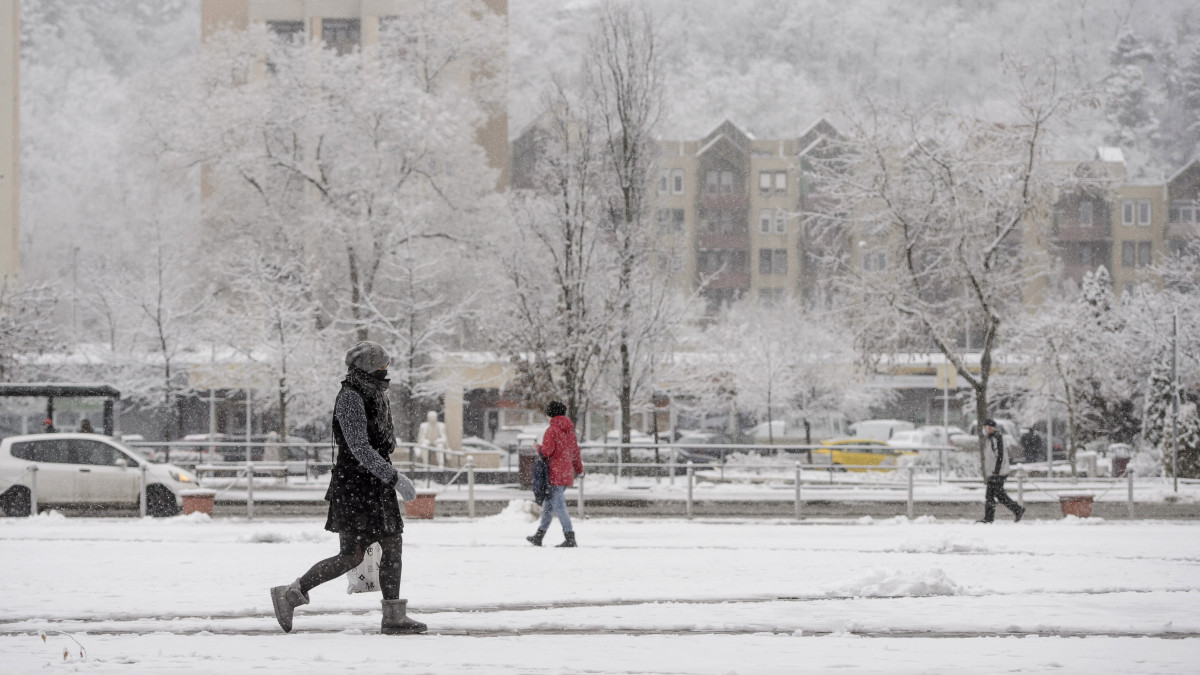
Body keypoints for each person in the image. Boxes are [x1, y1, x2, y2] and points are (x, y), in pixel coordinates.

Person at [270, 341, 425, 635]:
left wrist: (387, 475)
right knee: (351, 555)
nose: (385, 370)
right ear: (367, 366)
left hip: (375, 485)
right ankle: (290, 594)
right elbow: (359, 449)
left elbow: (379, 443)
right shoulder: (350, 398)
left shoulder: (376, 395)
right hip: (355, 485)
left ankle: (393, 616)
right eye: (381, 365)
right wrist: (395, 478)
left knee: (393, 545)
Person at [526, 401, 584, 547]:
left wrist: (538, 448)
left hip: (553, 474)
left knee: (559, 506)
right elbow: (576, 453)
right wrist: (580, 470)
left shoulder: (551, 430)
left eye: (547, 414)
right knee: (548, 506)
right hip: (566, 474)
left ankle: (570, 537)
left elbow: (547, 452)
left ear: (551, 414)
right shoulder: (570, 432)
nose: (546, 417)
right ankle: (539, 536)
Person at [978, 419, 1024, 523]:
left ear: (992, 428)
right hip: (994, 472)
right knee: (998, 495)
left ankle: (989, 518)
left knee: (991, 495)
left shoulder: (997, 438)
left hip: (998, 472)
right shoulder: (990, 439)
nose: (985, 430)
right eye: (984, 428)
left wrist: (996, 471)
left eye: (987, 428)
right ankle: (1017, 510)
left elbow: (1000, 456)